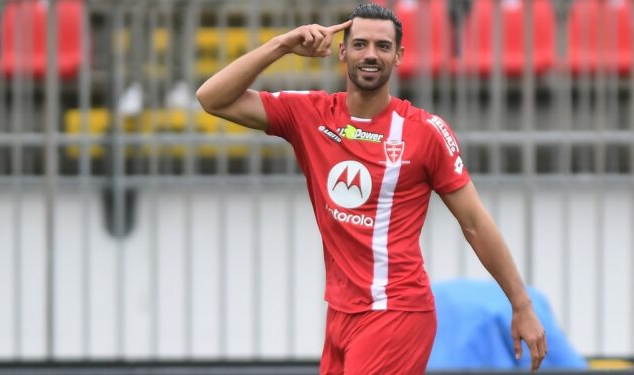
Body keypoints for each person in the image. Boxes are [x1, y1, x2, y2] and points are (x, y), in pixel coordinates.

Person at [196, 4, 546, 374]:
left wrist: (520, 304)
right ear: (342, 51)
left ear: (399, 56)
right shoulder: (310, 115)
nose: (371, 55)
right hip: (340, 315)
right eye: (360, 44)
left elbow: (474, 221)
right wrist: (282, 44)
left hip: (396, 313)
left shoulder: (425, 131)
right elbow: (212, 98)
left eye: (382, 46)